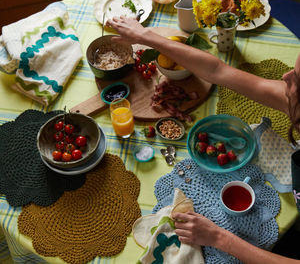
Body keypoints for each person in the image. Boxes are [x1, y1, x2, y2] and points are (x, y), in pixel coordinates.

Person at [106, 15, 300, 263]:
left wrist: (219, 238)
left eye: (296, 78)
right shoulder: (293, 101)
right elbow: (217, 70)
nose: (285, 77)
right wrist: (147, 37)